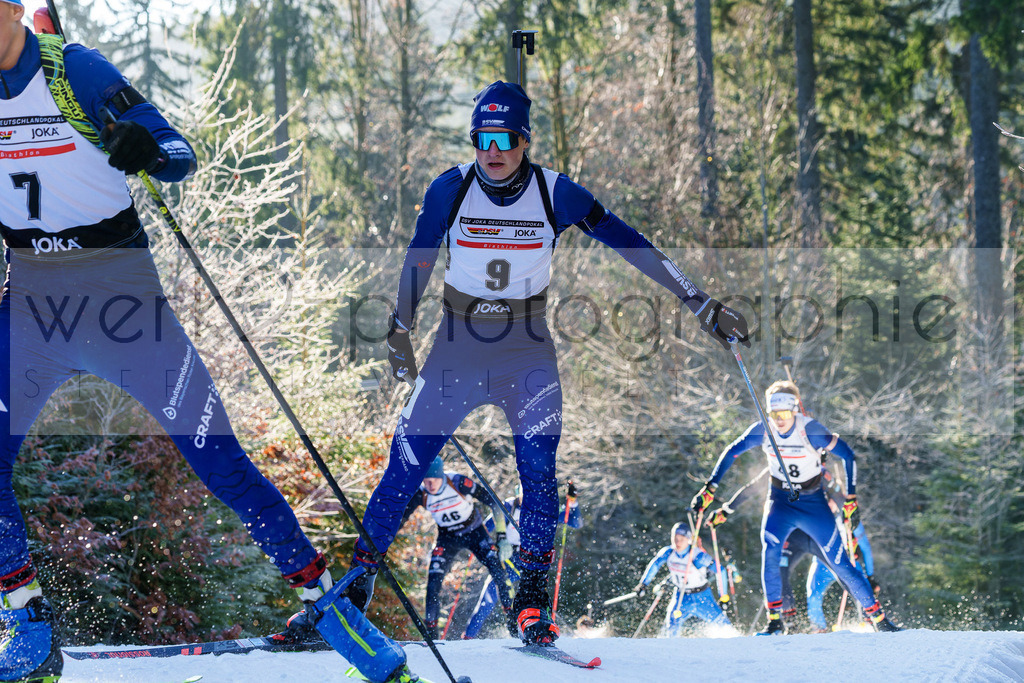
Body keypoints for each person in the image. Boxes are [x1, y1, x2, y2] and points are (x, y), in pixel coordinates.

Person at [0, 7, 416, 683]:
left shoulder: (74, 71)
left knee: (221, 464)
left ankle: (333, 612)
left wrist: (144, 148)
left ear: (15, 8)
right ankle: (28, 625)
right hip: (31, 306)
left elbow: (180, 154)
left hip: (120, 303)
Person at [345, 79, 750, 645]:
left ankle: (531, 602)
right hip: (456, 348)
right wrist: (399, 327)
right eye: (483, 138)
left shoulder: (556, 193)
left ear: (525, 141)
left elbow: (631, 243)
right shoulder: (450, 189)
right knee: (407, 462)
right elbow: (418, 257)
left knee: (538, 476)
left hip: (525, 350)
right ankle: (358, 581)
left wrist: (699, 301)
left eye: (506, 138)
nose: (494, 150)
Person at [690, 380, 899, 634]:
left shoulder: (810, 430)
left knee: (842, 564)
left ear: (795, 410)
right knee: (770, 555)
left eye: (785, 414)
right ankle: (776, 621)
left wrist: (851, 500)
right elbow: (732, 451)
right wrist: (710, 488)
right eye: (774, 414)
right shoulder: (763, 430)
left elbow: (848, 455)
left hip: (813, 505)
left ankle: (879, 619)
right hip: (781, 503)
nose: (779, 420)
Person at [709, 461, 883, 632]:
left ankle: (871, 615)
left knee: (842, 571)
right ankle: (789, 622)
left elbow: (841, 500)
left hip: (818, 534)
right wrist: (726, 510)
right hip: (792, 536)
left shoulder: (821, 472)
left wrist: (847, 515)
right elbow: (752, 488)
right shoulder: (778, 466)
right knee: (779, 570)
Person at [398, 456, 515, 639]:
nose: (429, 485)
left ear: (441, 476)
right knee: (434, 582)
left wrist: (501, 535)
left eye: (433, 480)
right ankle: (431, 635)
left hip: (474, 532)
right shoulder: (421, 493)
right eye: (425, 481)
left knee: (499, 573)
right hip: (447, 538)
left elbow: (493, 501)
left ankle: (514, 622)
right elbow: (402, 518)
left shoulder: (459, 482)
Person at [463, 481, 581, 639]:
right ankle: (469, 637)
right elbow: (483, 529)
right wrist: (495, 544)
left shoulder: (543, 508)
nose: (529, 500)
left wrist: (572, 501)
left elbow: (574, 521)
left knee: (536, 596)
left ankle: (541, 630)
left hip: (532, 559)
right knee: (491, 594)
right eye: (526, 494)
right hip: (510, 559)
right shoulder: (508, 507)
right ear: (519, 491)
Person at [633, 523, 731, 637]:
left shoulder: (697, 556)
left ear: (689, 539)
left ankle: (738, 646)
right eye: (675, 538)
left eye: (682, 539)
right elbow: (654, 565)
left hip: (702, 597)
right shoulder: (668, 553)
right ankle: (669, 651)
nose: (677, 542)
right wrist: (643, 584)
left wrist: (723, 597)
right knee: (671, 628)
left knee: (723, 625)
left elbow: (721, 571)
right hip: (681, 597)